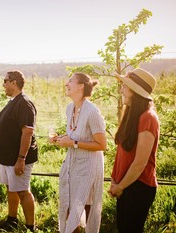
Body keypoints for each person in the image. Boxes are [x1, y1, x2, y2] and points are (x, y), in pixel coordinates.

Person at [50, 72, 107, 233]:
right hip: (73, 165)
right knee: (69, 205)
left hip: (89, 167)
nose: (66, 84)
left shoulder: (92, 112)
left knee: (85, 208)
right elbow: (75, 134)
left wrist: (73, 143)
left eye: (70, 81)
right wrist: (61, 139)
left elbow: (102, 144)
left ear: (81, 86)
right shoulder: (70, 109)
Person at [109, 68, 159, 233]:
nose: (121, 89)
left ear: (135, 91)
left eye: (125, 85)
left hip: (138, 185)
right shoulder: (132, 114)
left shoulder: (148, 117)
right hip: (127, 184)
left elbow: (140, 163)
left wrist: (121, 186)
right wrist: (115, 179)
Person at [0, 70, 38, 232]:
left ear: (14, 83)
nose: (3, 84)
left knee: (23, 191)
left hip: (18, 157)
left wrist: (21, 158)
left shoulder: (24, 103)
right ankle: (12, 220)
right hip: (8, 157)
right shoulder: (13, 101)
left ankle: (31, 227)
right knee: (11, 188)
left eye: (5, 81)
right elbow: (13, 123)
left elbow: (27, 132)